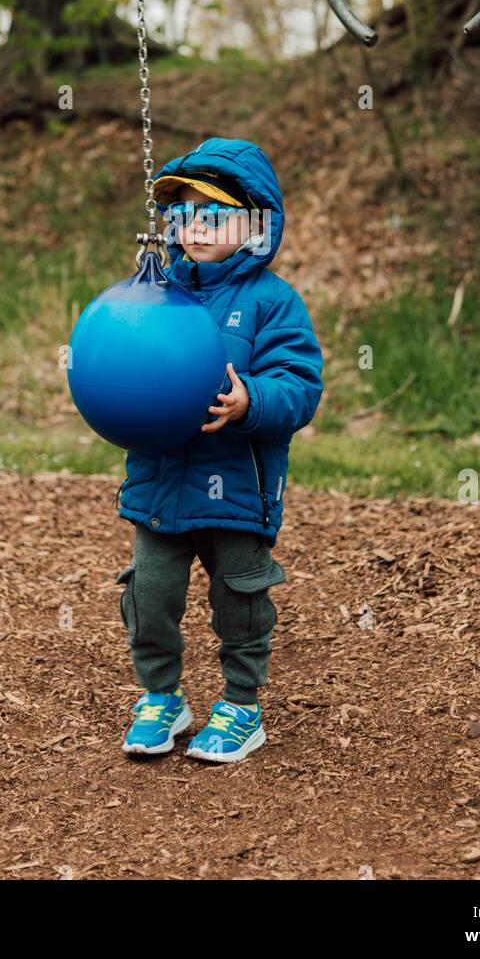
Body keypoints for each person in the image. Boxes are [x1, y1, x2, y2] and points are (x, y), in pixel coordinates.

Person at [115, 136, 323, 762]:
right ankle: (161, 697)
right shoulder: (154, 295)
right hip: (159, 484)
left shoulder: (272, 302)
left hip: (236, 485)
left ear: (255, 224)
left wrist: (249, 401)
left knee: (240, 599)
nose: (192, 227)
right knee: (148, 598)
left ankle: (241, 705)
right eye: (179, 214)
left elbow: (300, 387)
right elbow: (123, 362)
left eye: (212, 214)